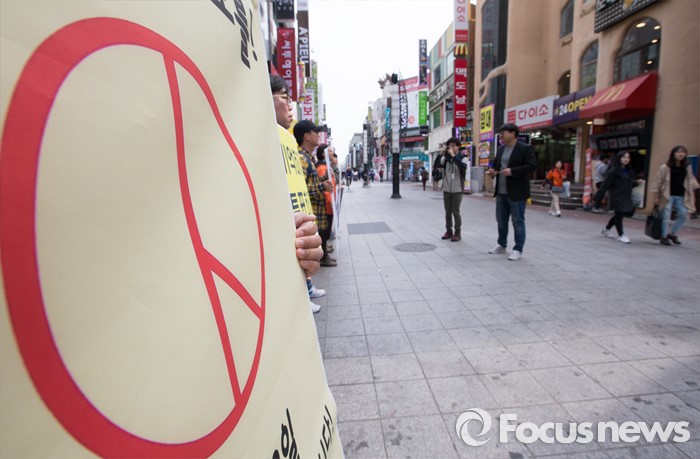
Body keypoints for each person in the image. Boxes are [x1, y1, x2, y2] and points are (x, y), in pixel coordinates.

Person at [270, 75, 325, 312]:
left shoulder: (288, 145)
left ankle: (304, 290)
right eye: (285, 98)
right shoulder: (262, 144)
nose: (291, 106)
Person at [486, 123, 537, 260]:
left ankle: (518, 249)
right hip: (501, 192)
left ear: (513, 133)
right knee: (501, 220)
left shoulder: (525, 148)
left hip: (517, 192)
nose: (501, 136)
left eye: (503, 133)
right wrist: (492, 171)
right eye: (500, 134)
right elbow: (496, 167)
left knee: (517, 221)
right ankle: (501, 244)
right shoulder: (501, 149)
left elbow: (531, 165)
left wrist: (512, 171)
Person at [294, 120, 336, 266]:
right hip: (311, 212)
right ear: (306, 136)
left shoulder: (308, 157)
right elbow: (301, 189)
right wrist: (322, 186)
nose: (318, 135)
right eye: (315, 132)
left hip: (316, 211)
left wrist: (323, 180)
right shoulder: (301, 158)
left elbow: (311, 181)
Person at [651, 145, 699, 246]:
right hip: (667, 195)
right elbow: (658, 181)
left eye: (683, 152)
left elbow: (690, 179)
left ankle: (672, 233)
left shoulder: (687, 167)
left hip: (681, 195)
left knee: (683, 214)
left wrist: (695, 188)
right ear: (673, 154)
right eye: (678, 152)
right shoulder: (665, 167)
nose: (681, 154)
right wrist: (656, 196)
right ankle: (664, 237)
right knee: (666, 216)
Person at [592, 151, 641, 244]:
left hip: (626, 196)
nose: (626, 159)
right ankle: (621, 235)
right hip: (616, 196)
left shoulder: (628, 170)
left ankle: (607, 229)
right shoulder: (614, 171)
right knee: (619, 214)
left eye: (628, 157)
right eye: (624, 157)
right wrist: (597, 197)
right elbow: (605, 185)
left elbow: (628, 184)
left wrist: (636, 183)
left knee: (623, 213)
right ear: (619, 158)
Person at [440, 138, 468, 241]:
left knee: (455, 211)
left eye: (453, 145)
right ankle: (448, 231)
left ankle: (457, 233)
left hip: (457, 189)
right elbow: (438, 164)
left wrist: (453, 155)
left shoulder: (463, 158)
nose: (451, 147)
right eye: (449, 146)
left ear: (458, 147)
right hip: (447, 189)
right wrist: (443, 153)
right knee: (447, 212)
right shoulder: (446, 158)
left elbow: (462, 167)